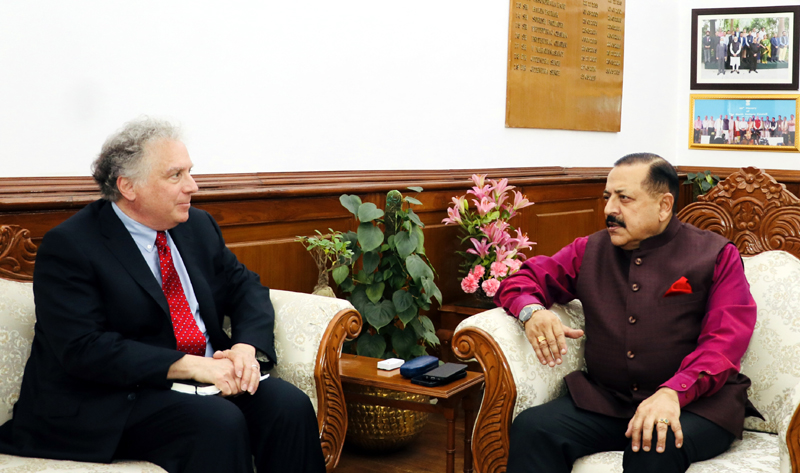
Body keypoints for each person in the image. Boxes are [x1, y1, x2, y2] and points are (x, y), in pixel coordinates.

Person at [0, 118, 326, 473]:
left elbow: (246, 287)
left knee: (287, 404)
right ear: (128, 186)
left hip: (202, 382)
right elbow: (83, 348)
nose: (193, 186)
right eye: (175, 176)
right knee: (217, 421)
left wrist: (246, 347)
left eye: (190, 172)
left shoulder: (196, 226)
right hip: (115, 397)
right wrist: (193, 365)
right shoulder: (72, 246)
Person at [499, 154, 760, 473]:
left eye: (624, 198)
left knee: (653, 444)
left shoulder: (716, 255)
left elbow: (724, 343)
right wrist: (532, 312)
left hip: (695, 407)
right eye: (608, 197)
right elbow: (522, 280)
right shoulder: (589, 250)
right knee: (533, 428)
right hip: (607, 403)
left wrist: (673, 392)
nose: (609, 209)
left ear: (664, 205)